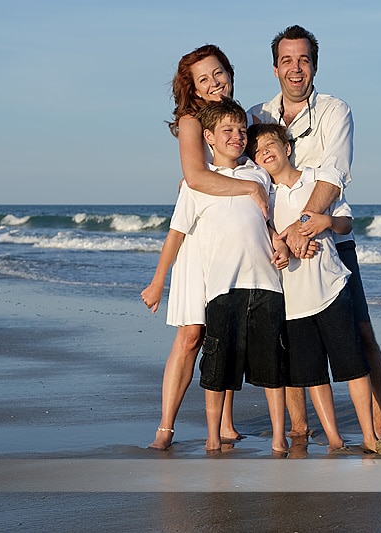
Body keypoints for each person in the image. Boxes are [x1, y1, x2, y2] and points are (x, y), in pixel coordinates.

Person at [248, 26, 381, 448]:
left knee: (361, 334)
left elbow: (334, 175)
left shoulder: (336, 110)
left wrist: (304, 226)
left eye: (303, 60)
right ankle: (300, 429)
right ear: (275, 67)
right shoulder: (255, 117)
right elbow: (243, 177)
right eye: (286, 60)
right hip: (277, 246)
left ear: (314, 65)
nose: (294, 68)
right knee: (290, 338)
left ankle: (378, 427)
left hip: (331, 239)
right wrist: (284, 237)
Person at [141, 44, 266, 450]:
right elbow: (196, 176)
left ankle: (226, 422)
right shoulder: (192, 119)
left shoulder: (243, 118)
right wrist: (248, 188)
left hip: (233, 239)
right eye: (203, 79)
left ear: (230, 72)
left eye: (219, 73)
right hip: (200, 239)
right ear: (191, 87)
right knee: (193, 333)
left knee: (227, 330)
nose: (214, 83)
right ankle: (166, 427)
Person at [164, 97, 288, 452]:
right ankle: (213, 437)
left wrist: (279, 240)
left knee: (271, 366)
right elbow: (178, 232)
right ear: (209, 137)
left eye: (241, 130)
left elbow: (269, 219)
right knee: (217, 365)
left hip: (266, 282)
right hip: (221, 287)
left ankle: (279, 437)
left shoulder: (258, 174)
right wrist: (159, 282)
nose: (237, 136)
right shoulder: (198, 183)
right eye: (227, 130)